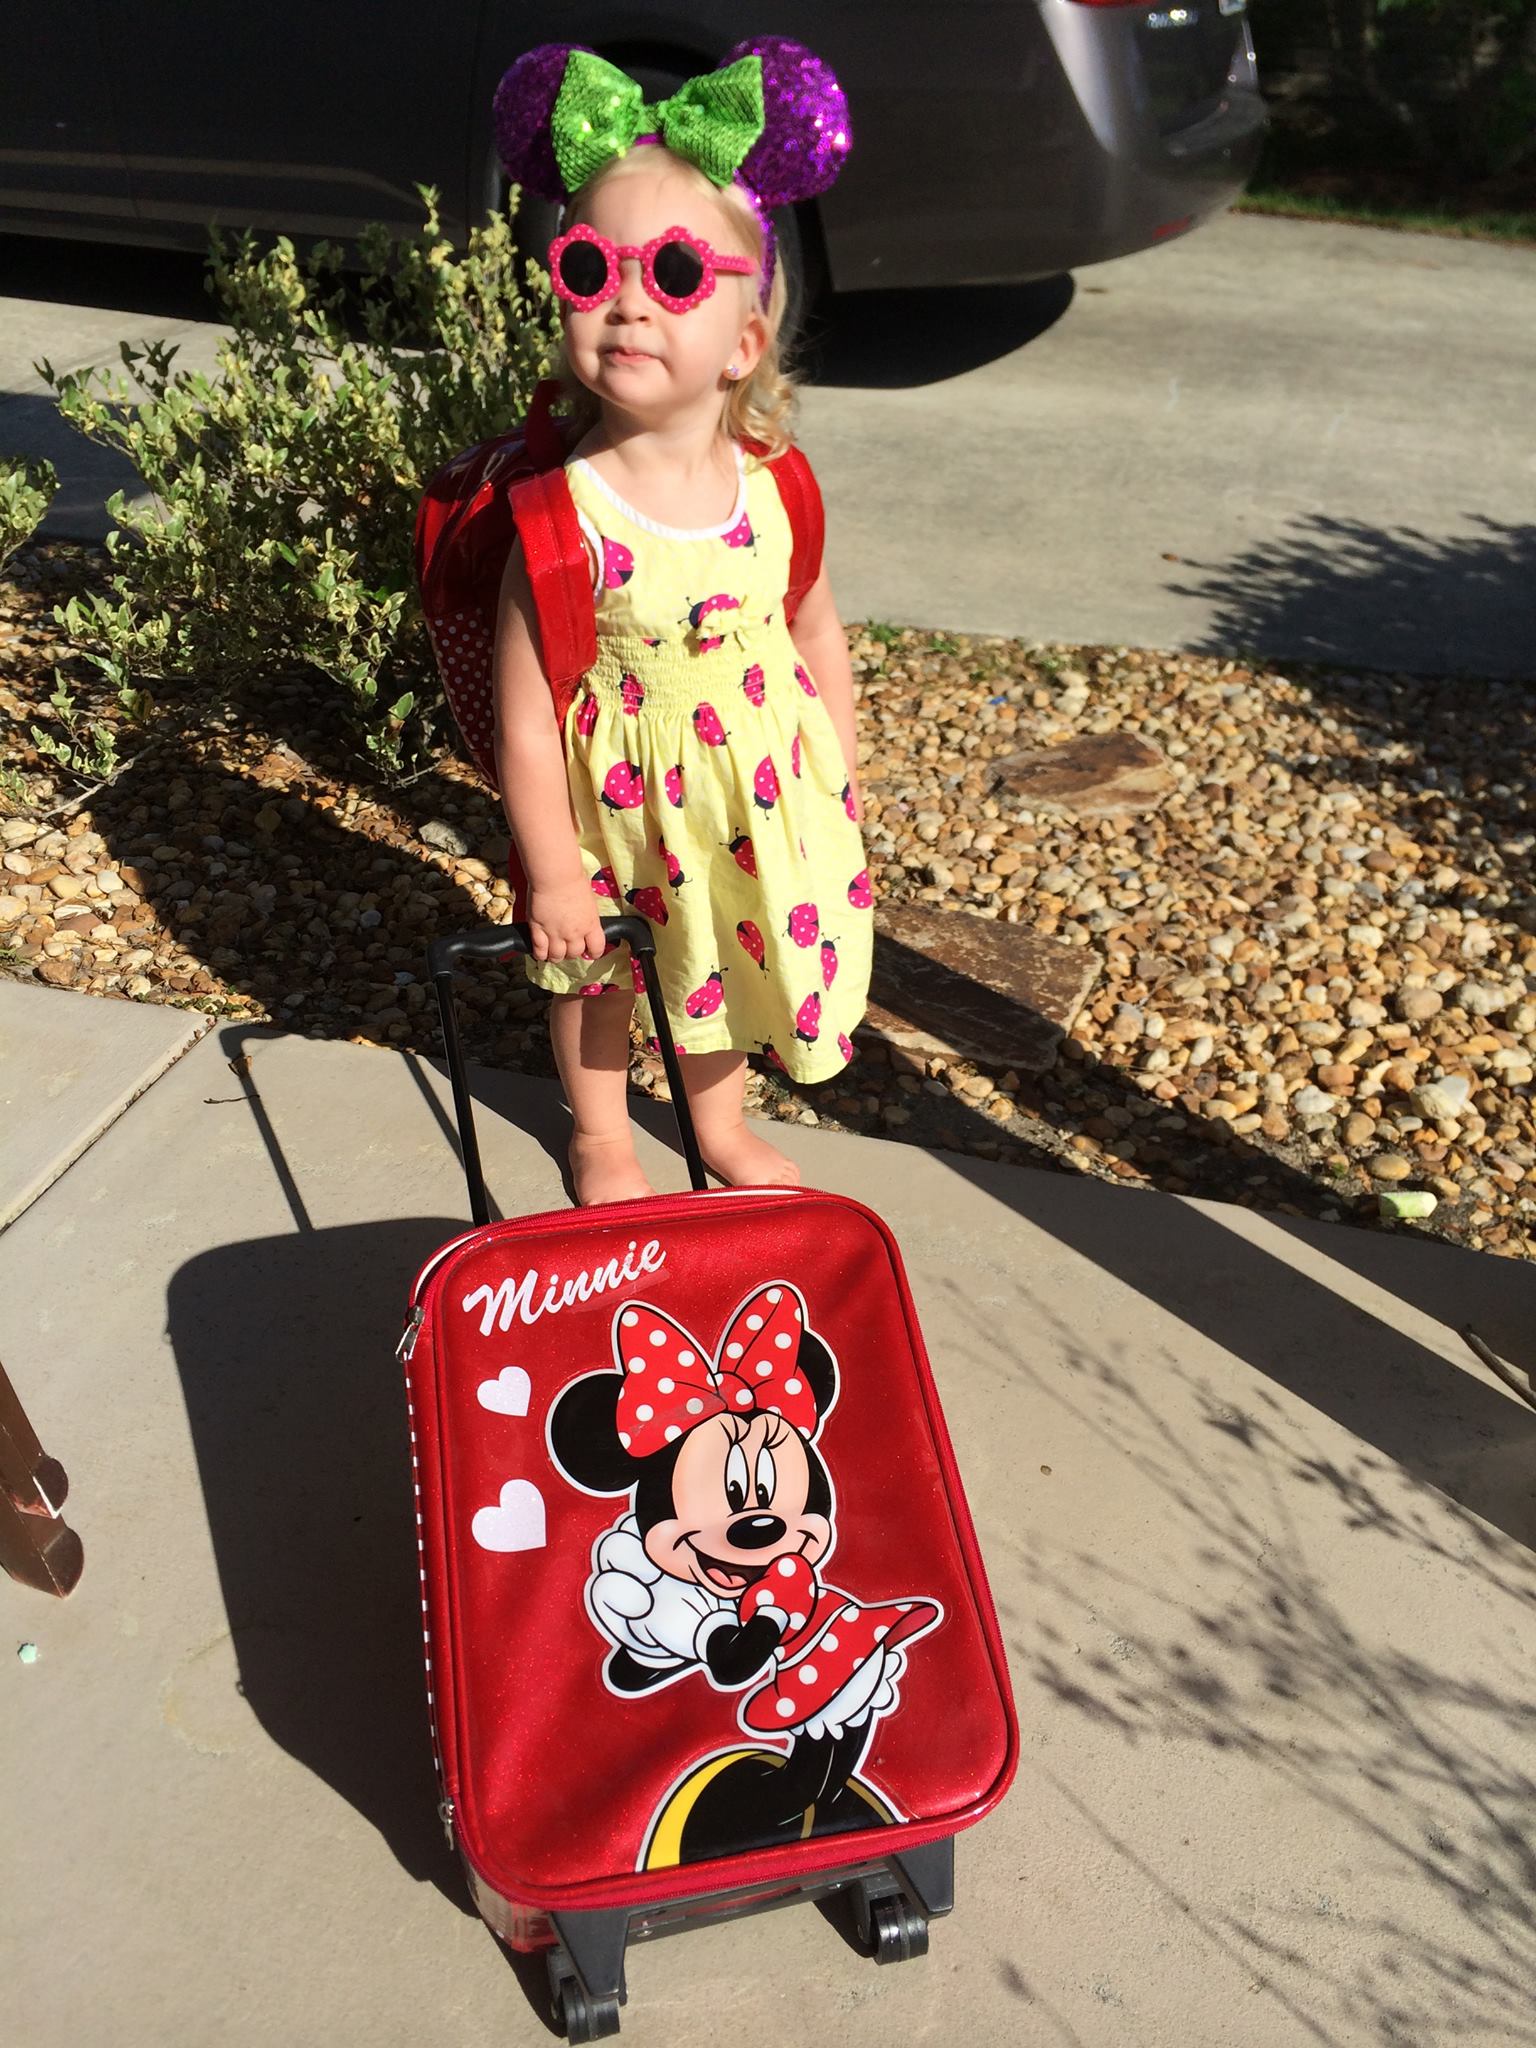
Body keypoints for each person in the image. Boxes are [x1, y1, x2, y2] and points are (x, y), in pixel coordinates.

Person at [489, 39, 872, 1206]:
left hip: (750, 801)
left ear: (744, 342)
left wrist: (837, 775)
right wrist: (553, 868)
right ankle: (602, 1130)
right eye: (591, 268)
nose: (625, 305)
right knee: (601, 976)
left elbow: (815, 631)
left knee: (721, 961)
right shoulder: (561, 515)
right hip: (616, 802)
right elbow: (521, 717)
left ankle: (715, 1119)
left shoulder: (774, 486)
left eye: (671, 273)